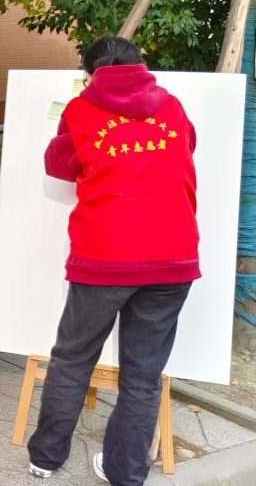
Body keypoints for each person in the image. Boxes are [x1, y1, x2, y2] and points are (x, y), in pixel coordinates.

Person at [27, 36, 199, 486]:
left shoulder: (80, 109)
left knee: (72, 359)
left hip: (104, 256)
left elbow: (57, 165)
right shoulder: (172, 107)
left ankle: (46, 458)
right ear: (141, 64)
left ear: (90, 74)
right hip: (173, 257)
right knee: (143, 375)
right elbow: (188, 147)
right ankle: (126, 473)